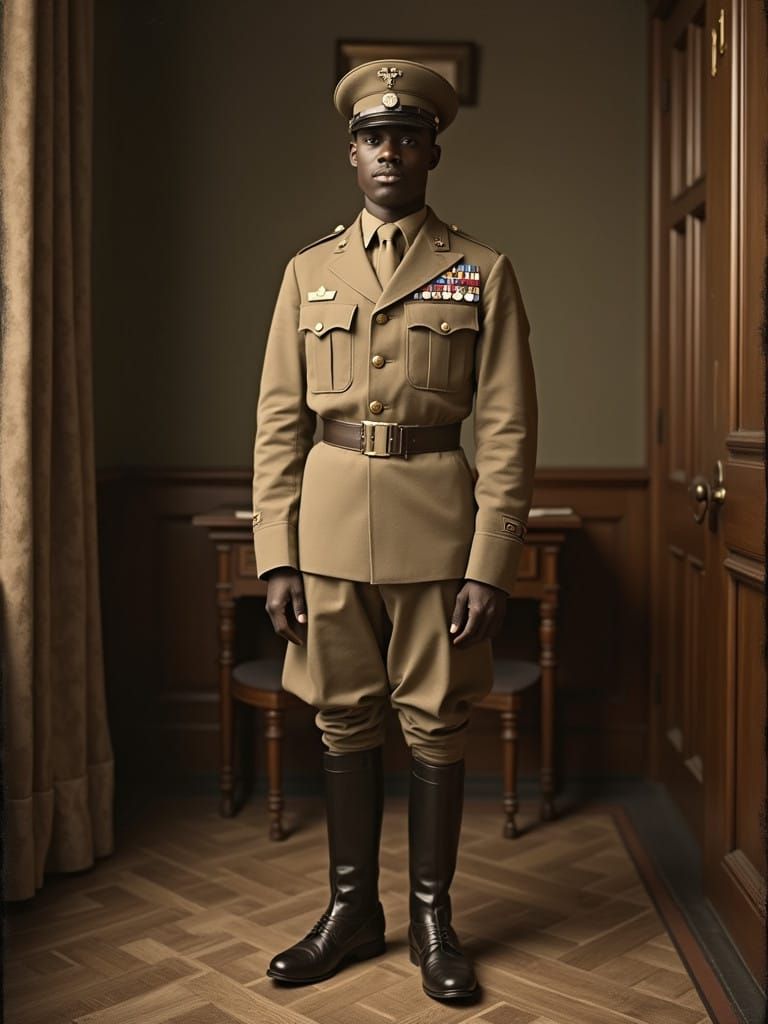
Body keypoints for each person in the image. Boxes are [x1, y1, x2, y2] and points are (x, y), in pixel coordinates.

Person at [251, 57, 538, 1002]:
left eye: (407, 136)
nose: (389, 152)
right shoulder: (307, 273)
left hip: (436, 529)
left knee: (436, 723)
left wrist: (491, 564)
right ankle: (350, 912)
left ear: (432, 152)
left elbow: (506, 428)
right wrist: (277, 555)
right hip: (327, 527)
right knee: (341, 717)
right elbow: (279, 422)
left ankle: (431, 918)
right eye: (374, 138)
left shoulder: (481, 272)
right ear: (353, 154)